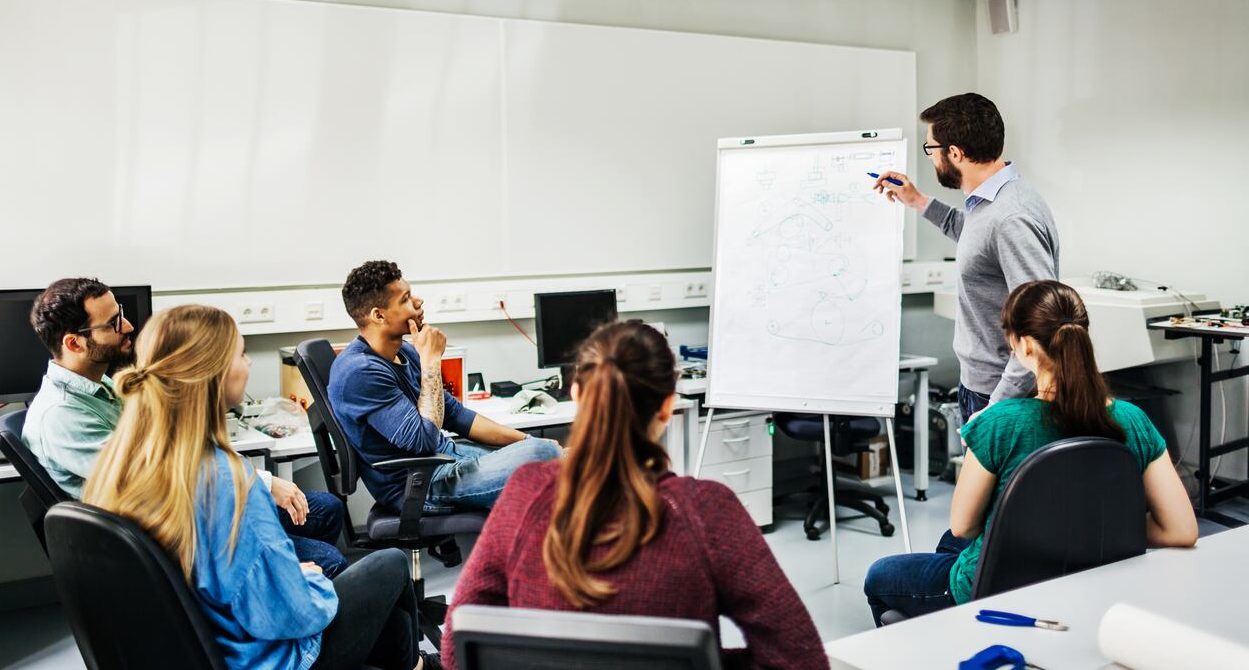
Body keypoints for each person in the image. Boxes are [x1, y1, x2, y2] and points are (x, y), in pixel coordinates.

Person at [442, 321, 827, 670]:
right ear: (667, 405)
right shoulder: (707, 512)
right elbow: (800, 660)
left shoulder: (525, 493)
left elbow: (458, 647)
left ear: (577, 394)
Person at [83, 304, 434, 670]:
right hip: (264, 659)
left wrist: (292, 578)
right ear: (213, 374)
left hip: (207, 646)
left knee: (395, 624)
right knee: (391, 564)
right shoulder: (226, 484)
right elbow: (290, 616)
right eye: (242, 353)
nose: (249, 364)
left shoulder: (125, 459)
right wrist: (309, 582)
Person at [863, 281, 1197, 625]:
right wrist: (1093, 531)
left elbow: (965, 525)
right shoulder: (1134, 420)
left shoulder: (999, 423)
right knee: (950, 543)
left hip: (1000, 587)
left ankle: (952, 635)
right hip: (1094, 581)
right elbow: (1182, 530)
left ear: (1022, 345)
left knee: (881, 575)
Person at [23, 278, 349, 577]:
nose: (128, 325)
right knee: (329, 562)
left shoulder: (102, 387)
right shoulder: (60, 416)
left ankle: (284, 585)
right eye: (112, 324)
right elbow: (157, 477)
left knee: (326, 509)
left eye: (120, 313)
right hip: (171, 535)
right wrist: (260, 484)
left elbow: (166, 452)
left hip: (188, 510)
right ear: (75, 343)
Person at [872, 93, 1059, 422]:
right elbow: (978, 241)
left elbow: (1039, 326)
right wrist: (916, 200)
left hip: (1003, 396)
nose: (930, 158)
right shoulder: (994, 200)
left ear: (955, 153)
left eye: (931, 149)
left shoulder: (1011, 218)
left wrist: (997, 408)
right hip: (985, 388)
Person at [328, 261, 560, 513]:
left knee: (543, 452)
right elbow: (424, 442)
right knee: (544, 457)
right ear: (379, 315)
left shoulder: (404, 351)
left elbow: (455, 414)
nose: (418, 302)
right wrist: (431, 362)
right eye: (405, 299)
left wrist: (524, 440)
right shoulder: (359, 372)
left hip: (447, 457)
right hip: (419, 485)